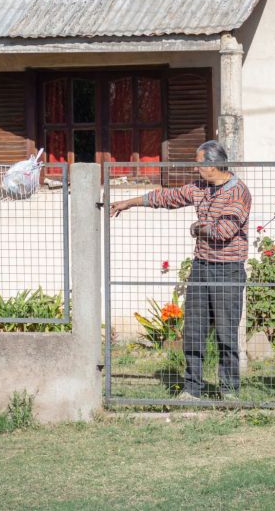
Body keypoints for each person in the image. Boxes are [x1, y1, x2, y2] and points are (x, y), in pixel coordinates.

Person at [110, 140, 252, 400]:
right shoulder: (200, 188)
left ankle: (229, 391)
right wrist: (129, 202)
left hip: (228, 270)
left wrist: (198, 228)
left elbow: (225, 231)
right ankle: (192, 388)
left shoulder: (238, 192)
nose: (195, 169)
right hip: (201, 267)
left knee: (225, 332)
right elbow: (167, 197)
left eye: (198, 164)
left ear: (212, 165)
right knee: (194, 330)